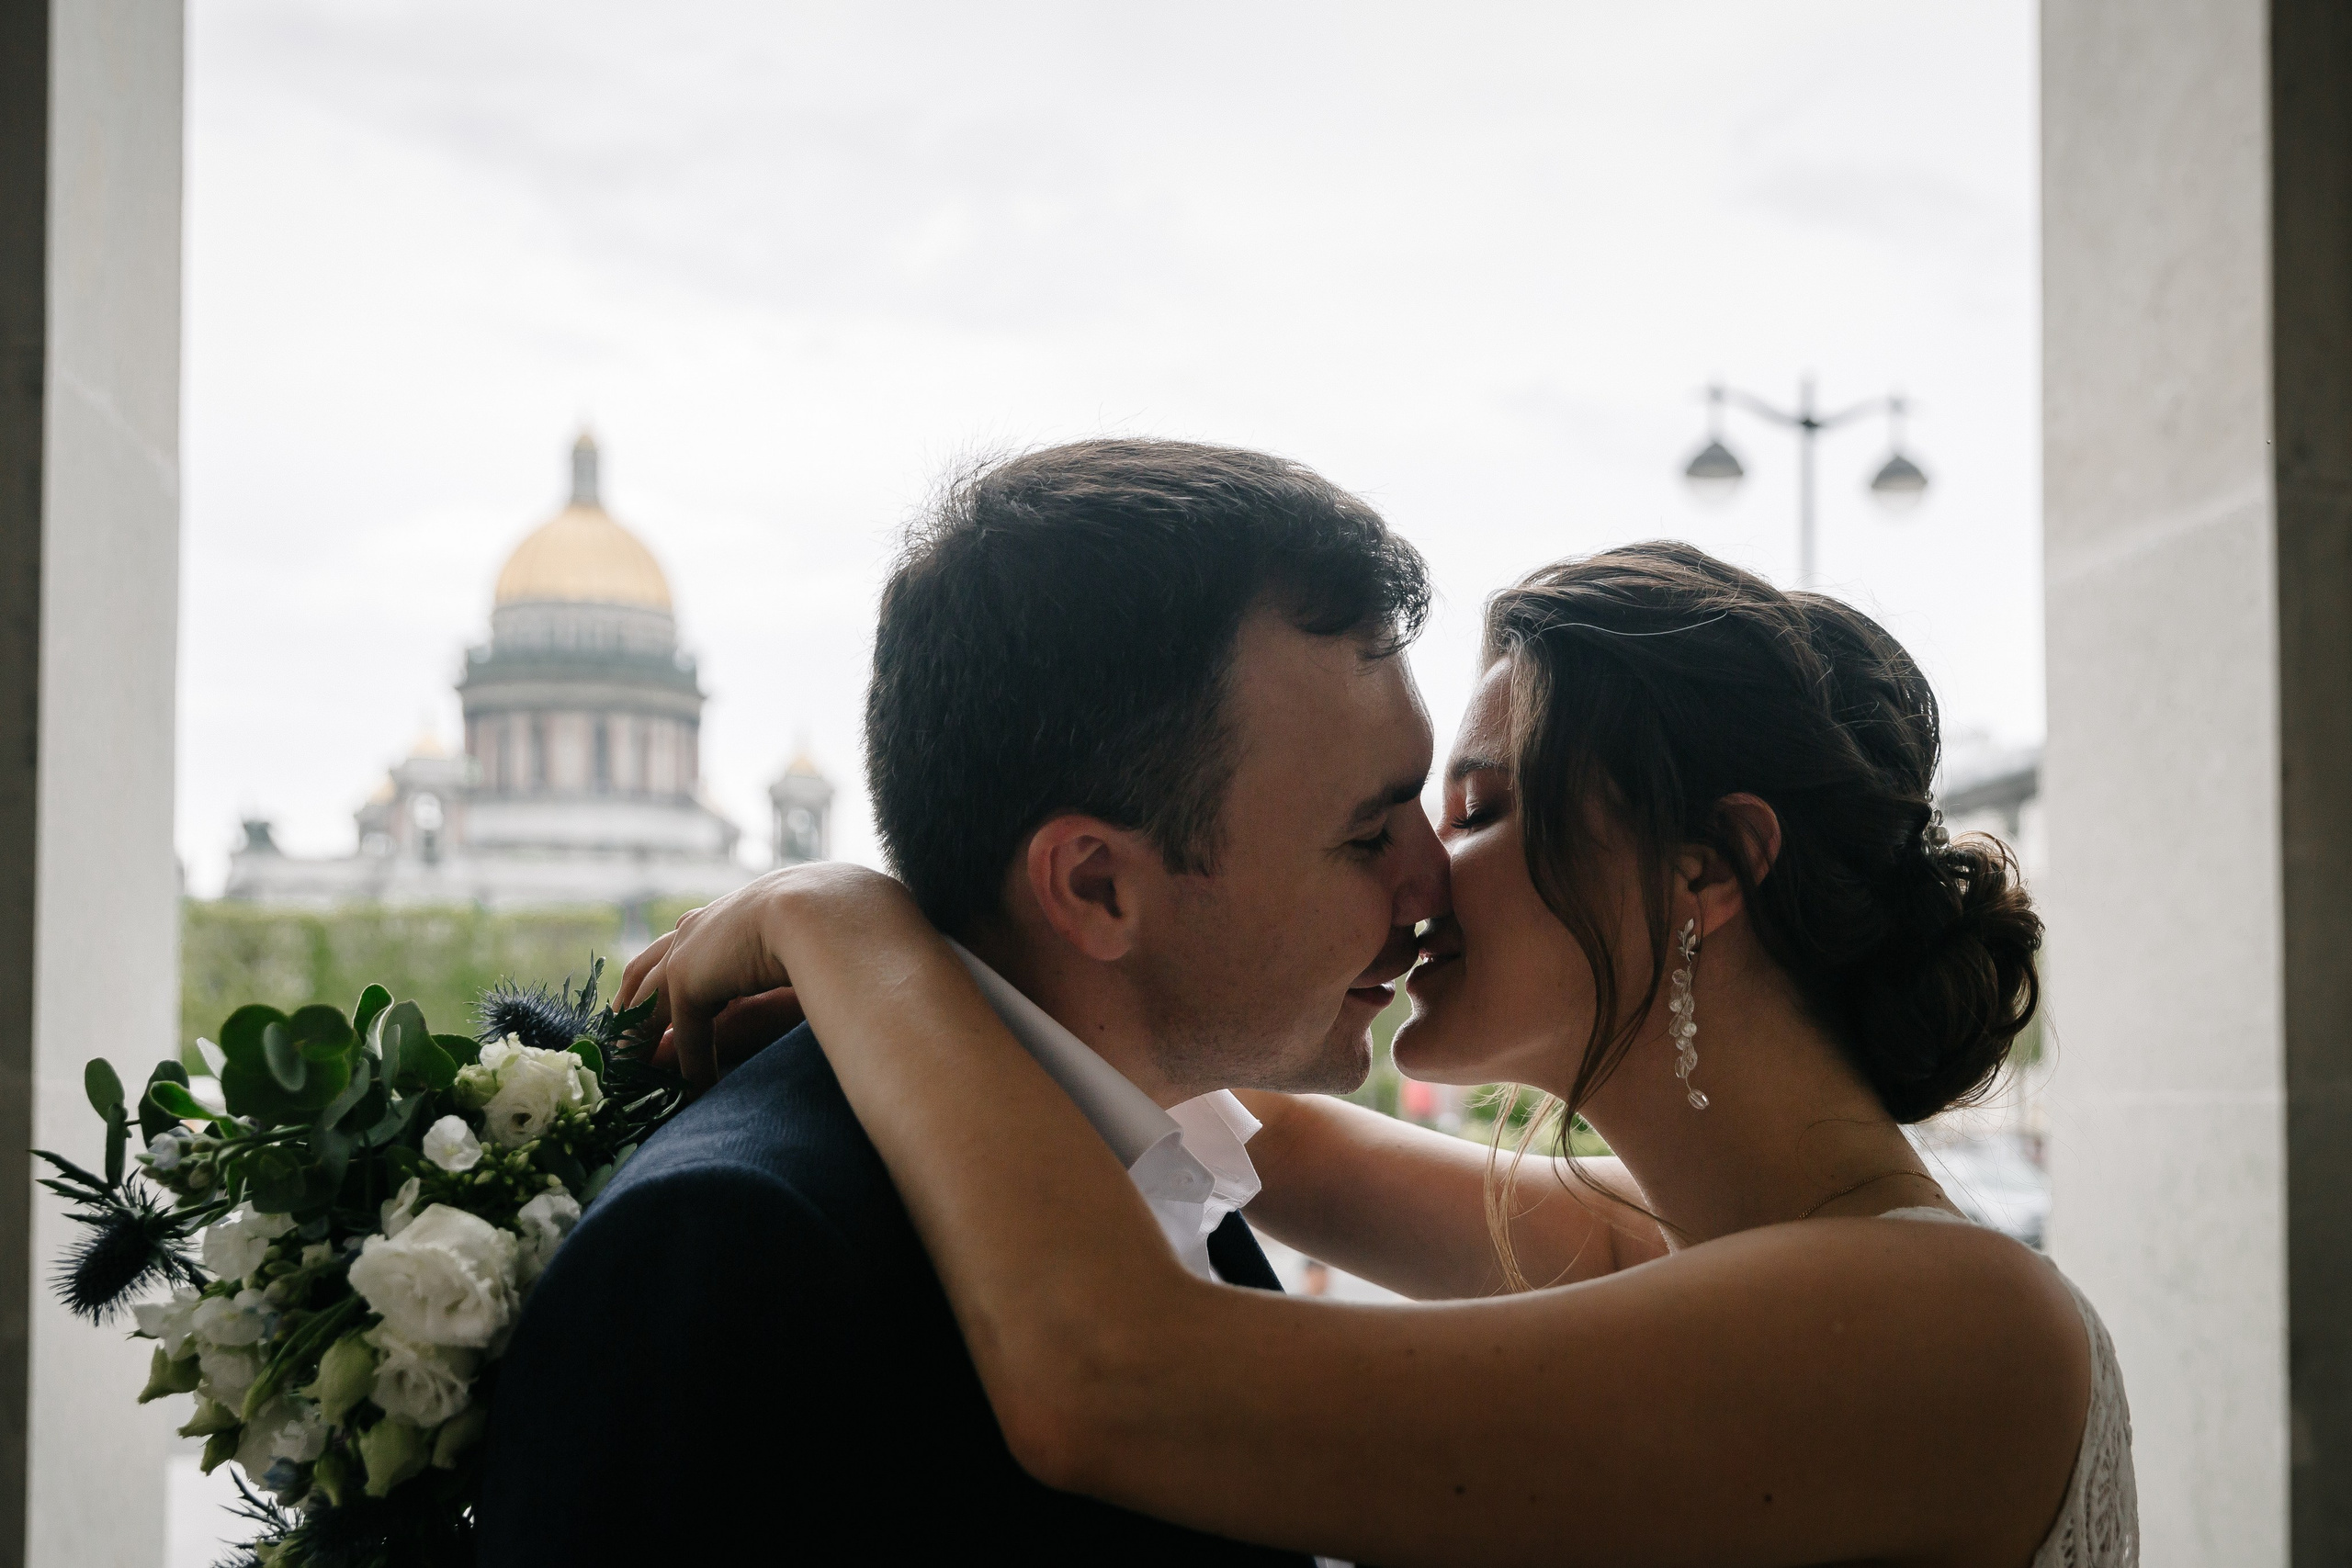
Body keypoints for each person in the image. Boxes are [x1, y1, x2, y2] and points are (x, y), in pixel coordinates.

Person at [634, 543, 2139, 1568]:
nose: (1420, 869)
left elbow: (1121, 1379)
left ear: (1706, 870)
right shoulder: (1680, 1236)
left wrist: (841, 920)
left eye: (1479, 808)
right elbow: (1217, 1110)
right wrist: (989, 965)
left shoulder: (1949, 1321)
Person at [476, 439, 1444, 1564]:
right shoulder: (738, 1247)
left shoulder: (1174, 1153)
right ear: (1093, 885)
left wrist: (848, 928)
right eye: (1371, 833)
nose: (1434, 885)